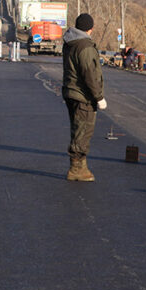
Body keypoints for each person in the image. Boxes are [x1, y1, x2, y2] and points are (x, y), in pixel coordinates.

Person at [62, 13, 106, 182]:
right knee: (83, 131)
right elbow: (89, 74)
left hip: (71, 92)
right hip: (83, 96)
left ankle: (82, 166)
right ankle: (76, 169)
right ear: (90, 28)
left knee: (77, 129)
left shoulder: (70, 42)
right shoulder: (85, 47)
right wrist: (99, 97)